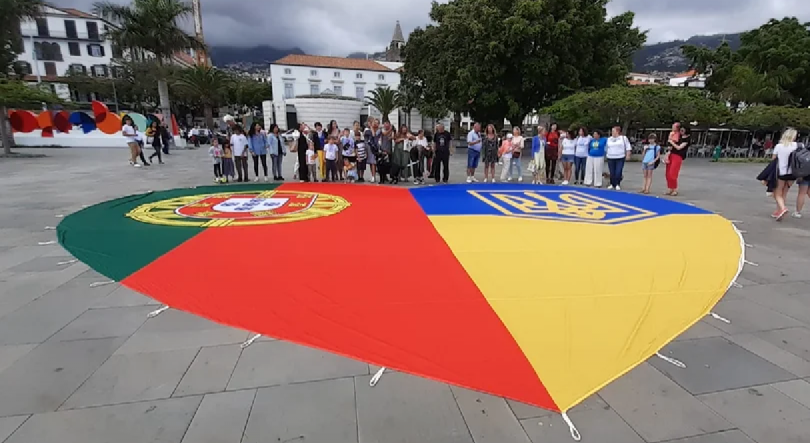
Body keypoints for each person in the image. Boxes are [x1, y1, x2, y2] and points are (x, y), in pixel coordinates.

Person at [772, 128, 799, 221]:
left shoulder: (779, 146)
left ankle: (782, 208)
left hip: (782, 172)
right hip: (793, 172)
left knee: (777, 193)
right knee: (785, 192)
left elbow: (773, 158)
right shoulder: (797, 146)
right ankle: (778, 211)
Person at [605, 126, 633, 190]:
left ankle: (617, 184)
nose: (612, 132)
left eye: (613, 131)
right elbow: (606, 147)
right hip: (610, 157)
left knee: (618, 171)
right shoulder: (609, 139)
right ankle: (612, 183)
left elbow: (628, 147)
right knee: (612, 172)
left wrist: (628, 155)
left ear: (617, 131)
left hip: (620, 157)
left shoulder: (623, 138)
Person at [665, 124, 689, 196]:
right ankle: (670, 188)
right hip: (671, 154)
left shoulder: (687, 139)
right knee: (667, 173)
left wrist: (671, 141)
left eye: (682, 130)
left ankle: (675, 189)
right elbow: (670, 145)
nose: (681, 131)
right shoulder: (678, 135)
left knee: (673, 173)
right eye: (680, 130)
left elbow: (679, 147)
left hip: (678, 156)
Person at [365, 118, 381, 183]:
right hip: (369, 146)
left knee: (373, 162)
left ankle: (374, 176)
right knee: (371, 162)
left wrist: (372, 127)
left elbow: (374, 134)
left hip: (375, 147)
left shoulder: (378, 130)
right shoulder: (367, 130)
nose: (374, 124)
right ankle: (372, 176)